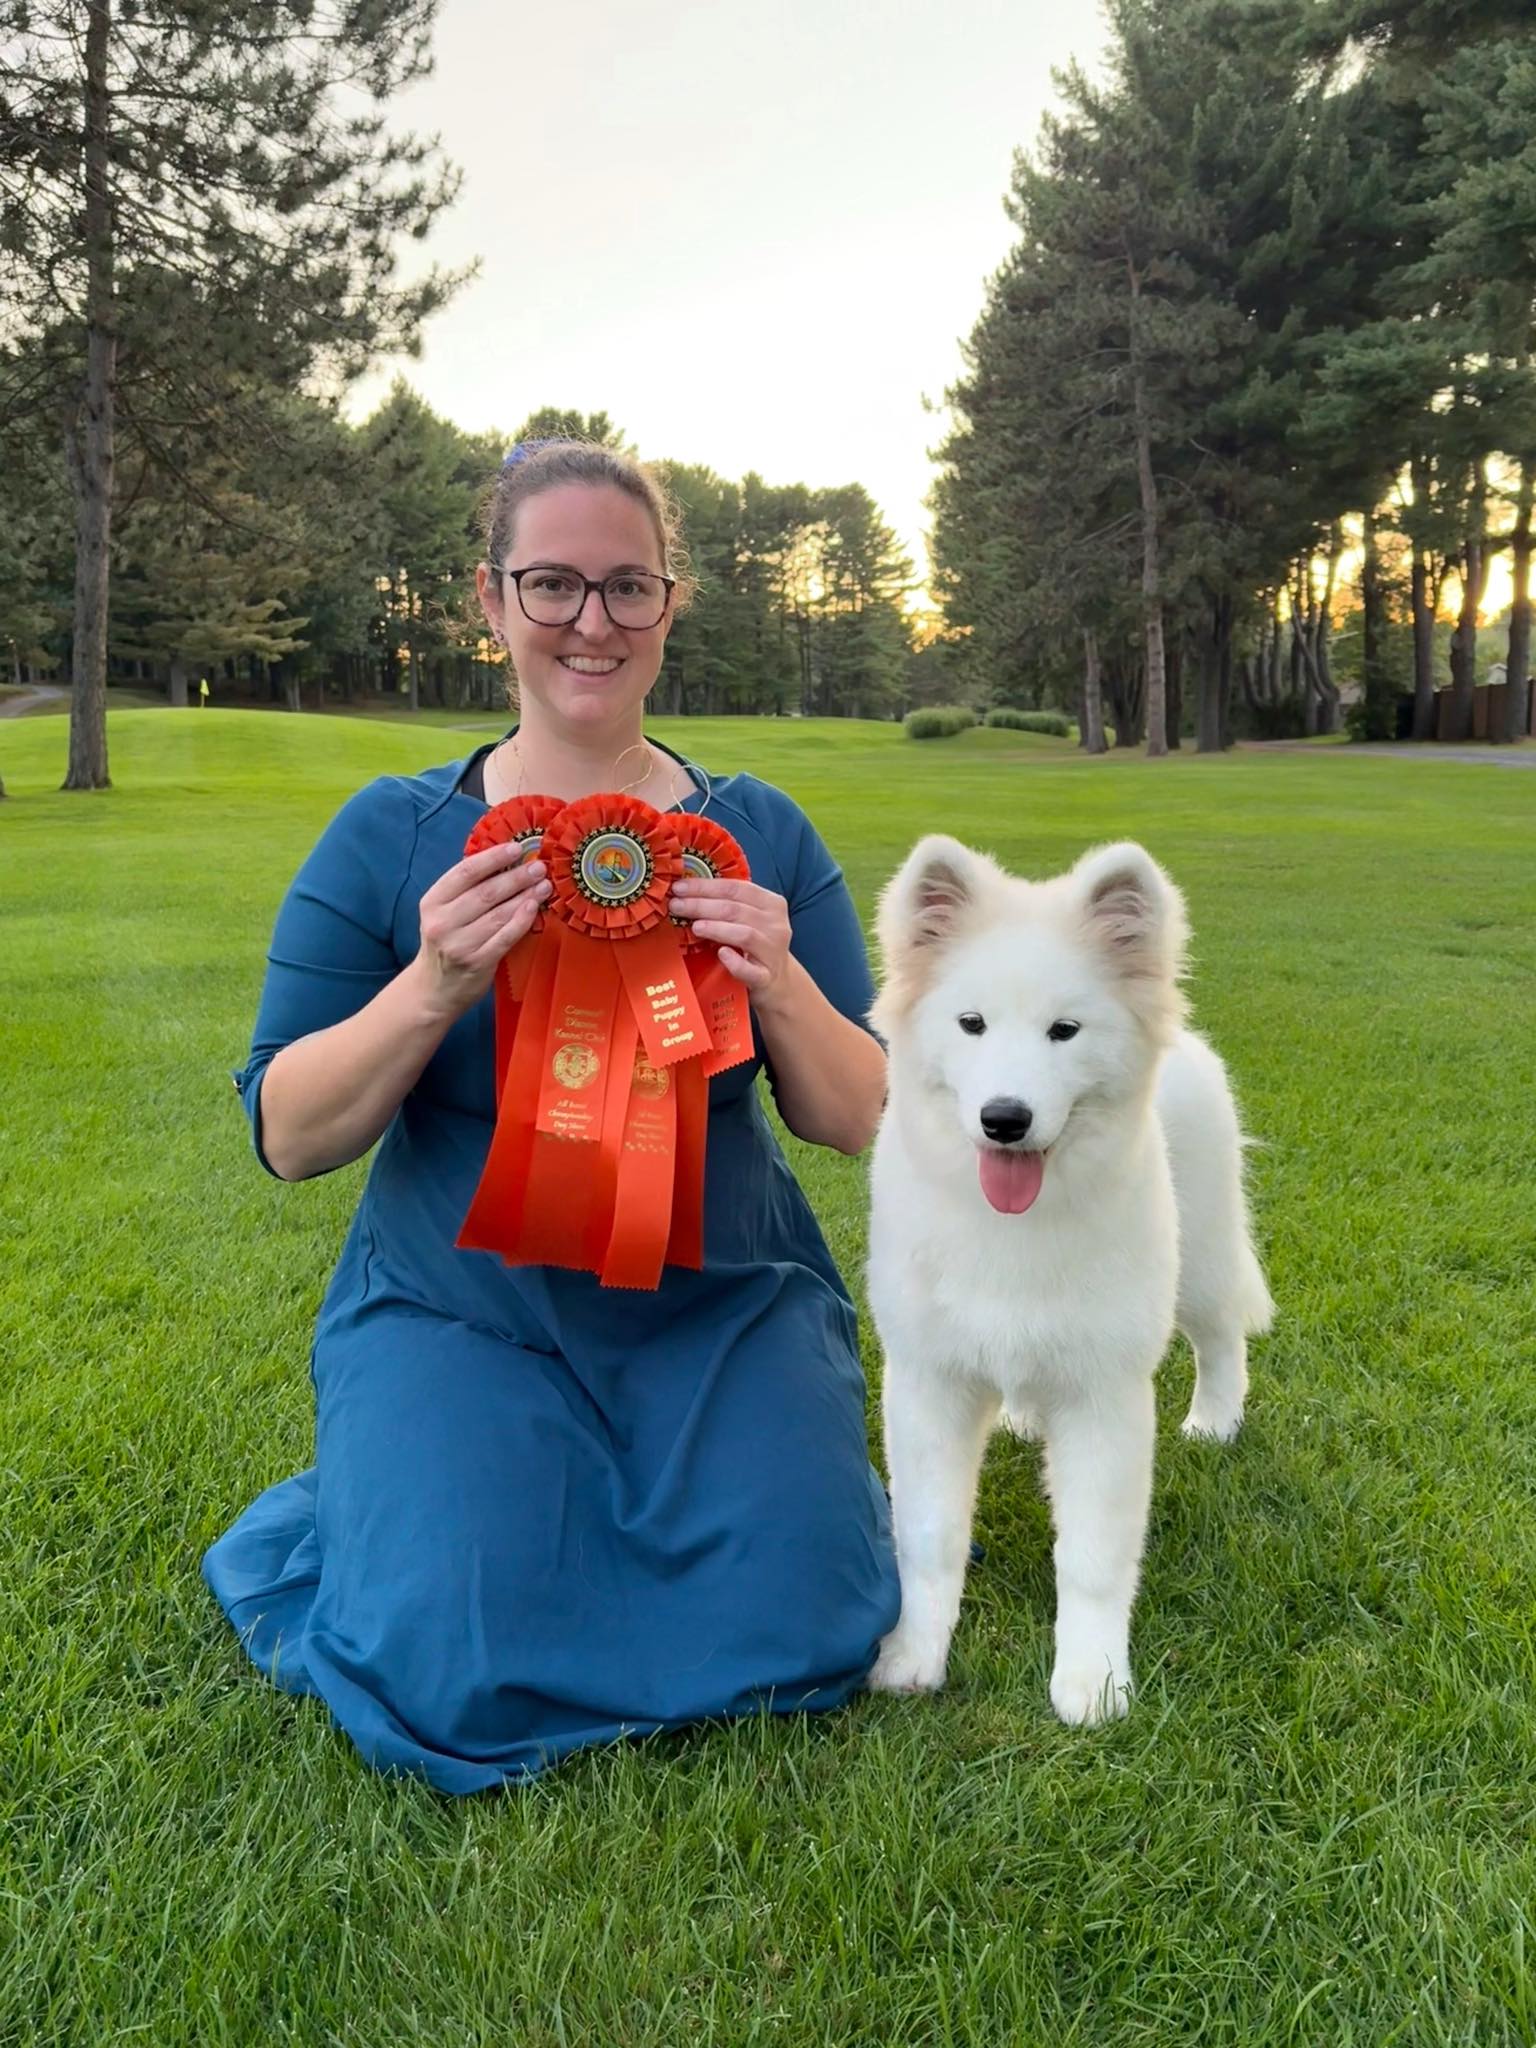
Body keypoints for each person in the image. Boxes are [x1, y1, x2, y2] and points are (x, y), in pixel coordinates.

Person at [204, 440, 901, 1794]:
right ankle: (403, 1489)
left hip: (722, 1301)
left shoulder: (760, 832)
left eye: (628, 586)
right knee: (451, 1654)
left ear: (670, 603)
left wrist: (788, 988)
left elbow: (861, 1117)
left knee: (814, 1620)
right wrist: (431, 986)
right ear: (489, 600)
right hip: (463, 1308)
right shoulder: (386, 836)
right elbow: (289, 1135)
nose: (593, 622)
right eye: (554, 584)